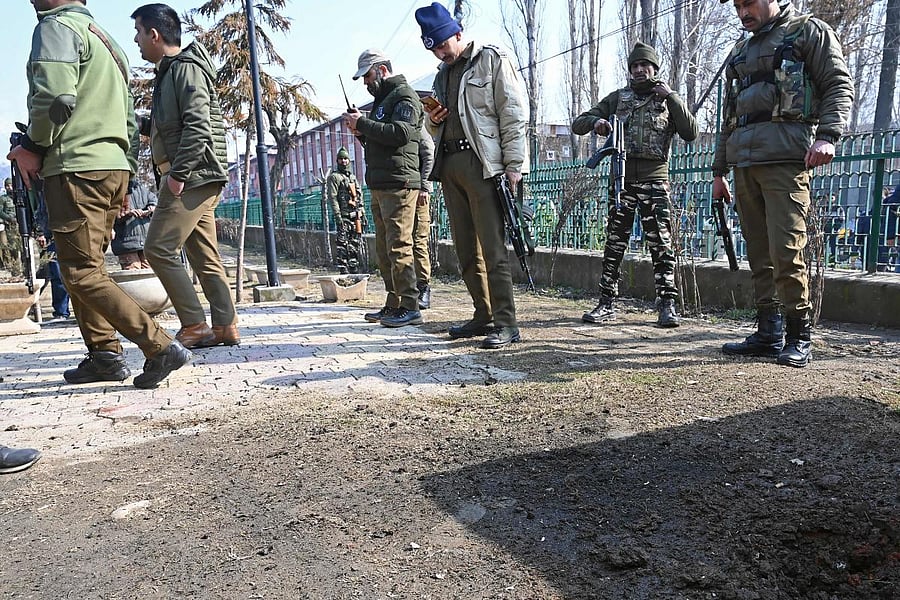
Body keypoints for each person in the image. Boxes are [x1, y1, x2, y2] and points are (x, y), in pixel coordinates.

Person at [7, 0, 191, 389]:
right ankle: (105, 354)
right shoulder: (107, 41)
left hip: (75, 165)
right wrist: (124, 173)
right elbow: (128, 118)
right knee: (83, 265)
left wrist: (33, 146)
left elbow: (56, 98)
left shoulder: (57, 27)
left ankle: (159, 346)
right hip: (110, 167)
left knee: (80, 270)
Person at [713, 0, 853, 367]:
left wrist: (828, 135)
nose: (743, 11)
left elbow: (838, 84)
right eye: (738, 5)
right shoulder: (740, 50)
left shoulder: (809, 32)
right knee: (759, 253)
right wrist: (718, 171)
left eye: (749, 3)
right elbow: (728, 114)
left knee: (786, 251)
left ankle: (798, 336)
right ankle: (769, 331)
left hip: (786, 160)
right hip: (744, 162)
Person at [415, 2, 529, 349]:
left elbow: (512, 113)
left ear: (458, 33)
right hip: (449, 166)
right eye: (432, 45)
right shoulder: (441, 75)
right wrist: (433, 122)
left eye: (442, 43)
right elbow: (433, 127)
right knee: (466, 249)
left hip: (483, 165)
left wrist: (514, 166)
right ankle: (484, 314)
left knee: (493, 249)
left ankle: (506, 323)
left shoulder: (492, 60)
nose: (439, 51)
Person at [131, 4, 240, 349]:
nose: (136, 41)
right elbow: (171, 127)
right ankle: (225, 325)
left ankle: (194, 324)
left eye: (138, 33)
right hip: (198, 173)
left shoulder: (184, 70)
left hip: (192, 175)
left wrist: (178, 174)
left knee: (158, 248)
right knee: (203, 255)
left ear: (154, 34)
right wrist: (135, 120)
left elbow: (198, 125)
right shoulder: (170, 73)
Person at [573, 42, 698, 328]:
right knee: (615, 243)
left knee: (661, 245)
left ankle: (667, 305)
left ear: (655, 68)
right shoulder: (618, 97)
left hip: (655, 181)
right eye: (634, 66)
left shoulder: (667, 99)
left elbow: (691, 132)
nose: (640, 70)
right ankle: (606, 303)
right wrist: (598, 123)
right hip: (623, 180)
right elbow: (579, 122)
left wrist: (673, 97)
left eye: (645, 65)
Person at [343, 49, 424, 328]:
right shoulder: (381, 101)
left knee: (399, 245)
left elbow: (402, 134)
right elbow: (380, 143)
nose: (365, 81)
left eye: (367, 74)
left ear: (382, 69)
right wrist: (362, 132)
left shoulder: (404, 96)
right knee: (384, 248)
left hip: (399, 183)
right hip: (381, 183)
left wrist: (364, 123)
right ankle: (394, 303)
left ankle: (411, 305)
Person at [325, 147, 364, 274]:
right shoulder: (334, 177)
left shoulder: (352, 177)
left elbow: (359, 196)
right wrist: (338, 215)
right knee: (342, 244)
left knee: (355, 243)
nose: (343, 161)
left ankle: (354, 268)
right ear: (337, 161)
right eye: (341, 159)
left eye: (345, 158)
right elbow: (333, 197)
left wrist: (362, 211)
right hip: (344, 216)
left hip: (355, 216)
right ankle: (344, 270)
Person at [112, 179, 156, 270]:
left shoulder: (140, 187)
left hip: (146, 243)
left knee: (151, 274)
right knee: (132, 274)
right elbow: (110, 216)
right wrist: (128, 213)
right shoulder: (114, 189)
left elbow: (155, 201)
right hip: (126, 244)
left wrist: (152, 208)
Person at [415, 122, 436, 309]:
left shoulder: (419, 126)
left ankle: (423, 287)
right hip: (402, 190)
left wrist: (424, 186)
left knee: (418, 241)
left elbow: (429, 154)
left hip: (419, 194)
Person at [0, 178, 23, 276]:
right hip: (10, 226)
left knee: (22, 247)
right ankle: (14, 269)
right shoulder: (3, 198)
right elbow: (0, 212)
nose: (10, 187)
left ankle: (23, 269)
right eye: (7, 186)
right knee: (12, 247)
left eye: (11, 185)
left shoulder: (18, 197)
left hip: (20, 225)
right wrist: (9, 218)